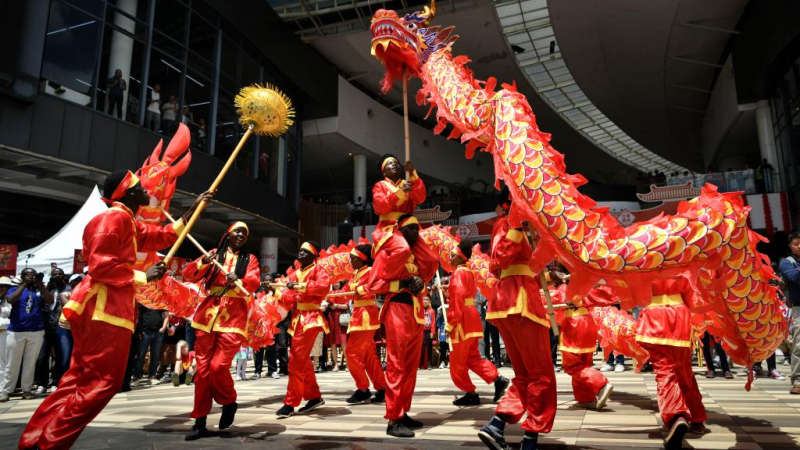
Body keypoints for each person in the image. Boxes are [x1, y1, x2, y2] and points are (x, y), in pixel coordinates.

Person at [18, 170, 211, 450]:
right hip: (104, 310)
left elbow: (162, 236)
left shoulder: (127, 221)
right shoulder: (114, 218)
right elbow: (101, 266)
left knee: (78, 381)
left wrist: (195, 208)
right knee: (103, 383)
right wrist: (145, 276)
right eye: (139, 186)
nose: (146, 190)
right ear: (127, 192)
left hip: (106, 310)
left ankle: (36, 441)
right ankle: (50, 443)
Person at [478, 198, 557, 450]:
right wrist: (518, 224)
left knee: (525, 375)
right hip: (520, 303)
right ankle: (531, 439)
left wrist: (546, 275)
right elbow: (499, 260)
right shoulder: (508, 223)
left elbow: (516, 264)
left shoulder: (514, 226)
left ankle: (497, 424)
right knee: (542, 375)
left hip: (507, 303)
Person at [182, 221, 261, 440]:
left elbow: (253, 282)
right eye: (237, 231)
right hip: (207, 315)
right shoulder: (214, 253)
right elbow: (188, 275)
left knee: (218, 367)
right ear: (228, 233)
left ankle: (228, 401)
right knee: (203, 373)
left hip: (234, 317)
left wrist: (240, 280)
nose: (241, 235)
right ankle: (200, 422)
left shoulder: (250, 259)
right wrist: (204, 263)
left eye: (245, 233)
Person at [368, 214, 438, 438]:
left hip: (416, 312)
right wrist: (403, 282)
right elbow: (374, 284)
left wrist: (420, 284)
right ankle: (393, 418)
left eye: (417, 229)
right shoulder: (387, 253)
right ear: (399, 231)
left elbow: (422, 282)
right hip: (397, 309)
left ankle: (402, 412)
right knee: (397, 365)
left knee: (410, 368)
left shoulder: (416, 256)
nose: (415, 233)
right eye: (410, 229)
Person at [636, 277, 707, 449]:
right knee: (684, 370)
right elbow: (692, 291)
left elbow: (620, 283)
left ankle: (676, 416)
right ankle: (697, 418)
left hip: (654, 316)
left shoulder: (641, 255)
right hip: (679, 314)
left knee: (664, 370)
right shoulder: (683, 254)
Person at [446, 240, 509, 406]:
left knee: (457, 362)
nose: (450, 259)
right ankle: (497, 378)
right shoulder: (467, 272)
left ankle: (470, 392)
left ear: (460, 258)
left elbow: (458, 300)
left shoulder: (459, 272)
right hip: (471, 318)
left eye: (452, 256)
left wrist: (450, 324)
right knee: (473, 357)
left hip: (462, 321)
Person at [275, 241, 331, 418]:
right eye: (300, 251)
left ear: (313, 256)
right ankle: (314, 396)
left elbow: (323, 287)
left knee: (296, 360)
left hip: (311, 318)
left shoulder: (319, 270)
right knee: (302, 360)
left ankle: (290, 403)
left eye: (305, 252)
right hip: (298, 319)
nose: (300, 253)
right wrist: (275, 290)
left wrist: (302, 286)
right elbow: (288, 300)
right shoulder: (295, 274)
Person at [556, 285, 614, 410]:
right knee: (583, 365)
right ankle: (585, 399)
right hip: (587, 322)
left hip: (573, 324)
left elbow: (552, 302)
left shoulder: (564, 288)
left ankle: (601, 384)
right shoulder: (587, 286)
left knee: (571, 365)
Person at [343, 244, 387, 404]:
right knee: (369, 356)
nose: (351, 261)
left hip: (365, 316)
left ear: (362, 260)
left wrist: (358, 290)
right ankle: (382, 387)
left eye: (354, 258)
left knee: (352, 353)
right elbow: (346, 293)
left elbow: (374, 286)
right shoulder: (356, 274)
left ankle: (363, 388)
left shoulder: (370, 271)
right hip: (359, 315)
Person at [1, 268, 54, 401]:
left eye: (33, 274)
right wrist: (24, 284)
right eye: (28, 275)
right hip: (16, 330)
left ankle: (26, 390)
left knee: (30, 363)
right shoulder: (15, 289)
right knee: (12, 362)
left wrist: (41, 285)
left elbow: (50, 300)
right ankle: (5, 391)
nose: (31, 277)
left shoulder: (38, 289)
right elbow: (10, 300)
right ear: (23, 276)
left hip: (36, 331)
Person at [371, 154, 425, 276]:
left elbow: (420, 198)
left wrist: (413, 174)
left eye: (395, 162)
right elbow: (380, 207)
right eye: (389, 163)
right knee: (403, 249)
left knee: (429, 257)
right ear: (383, 171)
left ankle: (420, 281)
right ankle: (387, 277)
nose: (394, 164)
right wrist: (400, 192)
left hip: (409, 226)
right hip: (388, 227)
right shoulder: (380, 186)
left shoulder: (407, 182)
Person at [34, 268, 69, 394]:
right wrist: (44, 287)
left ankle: (55, 382)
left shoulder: (68, 289)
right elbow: (48, 301)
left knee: (60, 356)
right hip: (46, 327)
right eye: (55, 274)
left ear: (63, 276)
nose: (57, 276)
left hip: (61, 327)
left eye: (60, 273)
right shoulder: (48, 289)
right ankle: (42, 383)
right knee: (42, 357)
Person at [781, 232, 800, 394]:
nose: (799, 246)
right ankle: (798, 380)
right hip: (798, 308)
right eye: (796, 244)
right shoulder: (787, 262)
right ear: (790, 245)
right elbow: (794, 277)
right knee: (799, 345)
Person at [133, 305, 168, 385]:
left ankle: (152, 376)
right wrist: (139, 331)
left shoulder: (160, 301)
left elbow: (166, 316)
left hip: (158, 333)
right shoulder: (144, 300)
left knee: (155, 356)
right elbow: (139, 316)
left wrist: (163, 328)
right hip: (145, 332)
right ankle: (136, 377)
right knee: (141, 355)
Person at [326, 281, 348, 372]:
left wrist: (336, 305)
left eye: (338, 283)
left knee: (343, 341)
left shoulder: (343, 292)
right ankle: (336, 364)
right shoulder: (329, 293)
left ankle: (348, 364)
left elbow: (346, 306)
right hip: (331, 318)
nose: (336, 284)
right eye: (334, 283)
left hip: (341, 317)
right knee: (333, 342)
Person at [0, 277, 13, 396]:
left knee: (4, 361)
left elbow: (9, 314)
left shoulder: (9, 299)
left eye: (4, 286)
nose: (1, 288)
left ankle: (3, 388)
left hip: (4, 332)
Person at [420, 296, 435, 370]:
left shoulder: (431, 311)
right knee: (421, 347)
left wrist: (432, 332)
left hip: (428, 331)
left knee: (429, 347)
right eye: (424, 299)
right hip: (421, 331)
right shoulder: (420, 310)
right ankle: (420, 364)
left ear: (429, 301)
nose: (425, 301)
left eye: (427, 300)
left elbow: (433, 322)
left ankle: (429, 363)